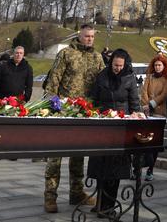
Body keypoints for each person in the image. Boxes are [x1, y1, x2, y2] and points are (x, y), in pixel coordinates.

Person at [42, 25, 103, 213]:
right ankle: (50, 196)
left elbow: (102, 84)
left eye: (92, 36)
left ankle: (77, 193)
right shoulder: (66, 54)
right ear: (79, 35)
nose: (90, 39)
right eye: (87, 36)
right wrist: (52, 107)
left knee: (78, 156)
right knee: (56, 157)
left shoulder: (97, 57)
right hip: (64, 112)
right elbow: (53, 82)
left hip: (84, 114)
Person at [87, 49, 141, 217]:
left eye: (120, 66)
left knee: (114, 170)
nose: (117, 68)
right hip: (102, 127)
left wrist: (136, 119)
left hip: (120, 128)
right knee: (100, 167)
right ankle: (100, 203)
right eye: (115, 65)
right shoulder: (102, 76)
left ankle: (108, 207)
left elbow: (134, 103)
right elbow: (93, 99)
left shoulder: (129, 78)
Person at [140, 53, 167, 181]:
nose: (158, 67)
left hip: (159, 112)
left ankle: (150, 169)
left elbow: (164, 94)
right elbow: (143, 91)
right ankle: (139, 167)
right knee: (144, 140)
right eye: (156, 65)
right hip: (147, 113)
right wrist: (146, 105)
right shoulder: (149, 77)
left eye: (160, 65)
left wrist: (152, 104)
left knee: (155, 142)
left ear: (164, 66)